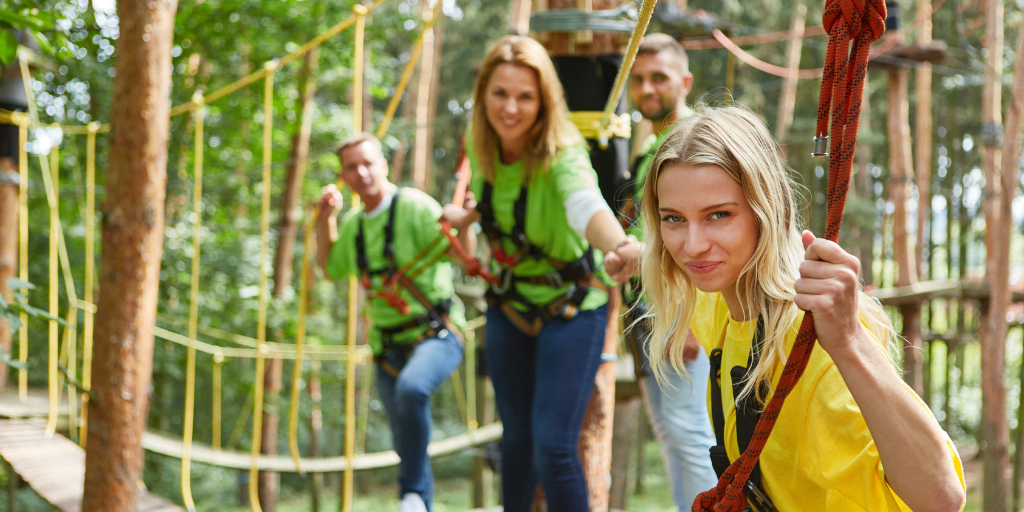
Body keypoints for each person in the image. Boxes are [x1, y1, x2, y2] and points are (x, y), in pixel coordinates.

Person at [607, 106, 966, 510]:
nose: (692, 246)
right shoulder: (720, 295)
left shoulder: (813, 342)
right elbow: (669, 252)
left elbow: (943, 499)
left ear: (766, 211)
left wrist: (849, 340)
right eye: (674, 219)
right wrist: (635, 254)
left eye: (719, 215)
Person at [442, 35, 639, 512]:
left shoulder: (561, 152)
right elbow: (494, 204)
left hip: (572, 307)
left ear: (544, 99)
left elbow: (584, 205)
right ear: (484, 93)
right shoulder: (481, 146)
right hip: (510, 304)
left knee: (553, 446)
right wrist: (468, 219)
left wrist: (621, 244)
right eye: (501, 94)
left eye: (525, 96)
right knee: (515, 443)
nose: (510, 108)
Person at [316, 133, 475, 512]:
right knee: (405, 438)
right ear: (344, 175)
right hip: (387, 346)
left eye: (368, 163)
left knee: (412, 390)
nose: (362, 172)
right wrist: (326, 219)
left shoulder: (415, 207)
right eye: (352, 167)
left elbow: (463, 256)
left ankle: (412, 494)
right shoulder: (353, 226)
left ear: (384, 165)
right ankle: (420, 501)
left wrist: (466, 221)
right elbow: (330, 268)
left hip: (437, 334)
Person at [622, 33, 718, 511]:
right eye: (638, 80)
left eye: (658, 77)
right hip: (648, 306)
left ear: (684, 81)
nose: (646, 89)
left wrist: (690, 314)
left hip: (681, 304)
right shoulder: (649, 150)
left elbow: (699, 239)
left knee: (689, 429)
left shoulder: (691, 144)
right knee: (670, 431)